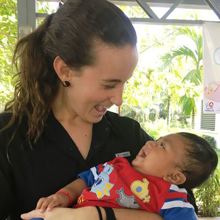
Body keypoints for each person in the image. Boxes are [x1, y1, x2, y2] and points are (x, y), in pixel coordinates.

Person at [0, 0, 194, 220]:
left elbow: (184, 206)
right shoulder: (8, 136)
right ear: (65, 71)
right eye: (109, 84)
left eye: (124, 83)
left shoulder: (128, 134)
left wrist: (98, 215)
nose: (119, 99)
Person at [21, 132, 218, 220]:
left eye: (161, 146)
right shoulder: (116, 165)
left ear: (175, 177)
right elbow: (85, 180)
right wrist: (62, 195)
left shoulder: (171, 196)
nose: (150, 143)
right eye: (157, 140)